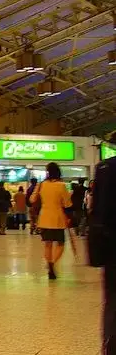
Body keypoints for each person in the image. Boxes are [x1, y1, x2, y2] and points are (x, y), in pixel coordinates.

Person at [88, 135, 116, 353]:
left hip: (110, 244)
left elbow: (97, 210)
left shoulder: (104, 169)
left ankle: (110, 346)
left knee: (112, 299)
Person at [30, 162, 72, 280]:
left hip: (44, 218)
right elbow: (67, 203)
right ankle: (52, 263)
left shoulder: (42, 184)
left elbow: (32, 199)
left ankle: (49, 263)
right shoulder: (61, 185)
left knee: (47, 244)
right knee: (61, 244)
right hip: (58, 218)